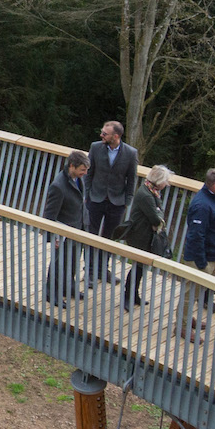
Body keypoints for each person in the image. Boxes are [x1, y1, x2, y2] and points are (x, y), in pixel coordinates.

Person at [181, 169, 215, 338]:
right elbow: (196, 235)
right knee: (190, 294)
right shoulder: (202, 205)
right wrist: (202, 262)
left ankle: (188, 319)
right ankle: (182, 326)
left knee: (197, 292)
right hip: (202, 259)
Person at [84, 121, 140, 282]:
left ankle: (103, 270)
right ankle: (89, 271)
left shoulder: (130, 153)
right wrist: (87, 194)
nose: (101, 135)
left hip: (117, 202)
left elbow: (132, 179)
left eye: (104, 134)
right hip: (95, 198)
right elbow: (89, 172)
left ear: (116, 136)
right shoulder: (95, 147)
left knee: (109, 238)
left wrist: (127, 200)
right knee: (92, 236)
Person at [41, 151, 91, 307]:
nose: (85, 173)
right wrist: (53, 236)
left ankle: (67, 287)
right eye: (82, 170)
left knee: (73, 260)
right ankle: (51, 293)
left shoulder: (77, 179)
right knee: (58, 263)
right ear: (72, 166)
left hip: (78, 227)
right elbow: (49, 214)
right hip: (63, 232)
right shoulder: (58, 186)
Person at [118, 164, 171, 309]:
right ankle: (128, 296)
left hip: (144, 235)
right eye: (165, 181)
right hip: (140, 236)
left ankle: (133, 295)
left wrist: (159, 214)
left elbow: (159, 214)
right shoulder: (146, 195)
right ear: (158, 181)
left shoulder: (150, 191)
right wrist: (159, 215)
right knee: (137, 267)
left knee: (140, 268)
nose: (167, 184)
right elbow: (156, 218)